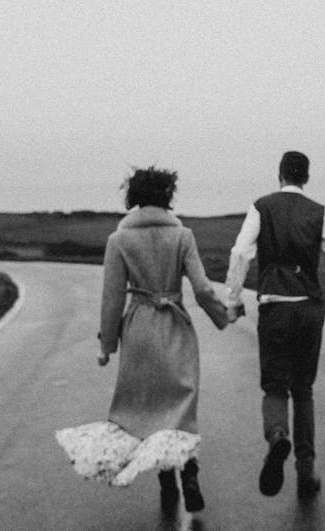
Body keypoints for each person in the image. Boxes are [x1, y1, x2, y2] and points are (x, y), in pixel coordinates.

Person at [55, 167, 235, 513]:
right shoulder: (183, 236)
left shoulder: (119, 240)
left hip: (138, 331)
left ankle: (167, 485)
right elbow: (201, 288)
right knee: (180, 408)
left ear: (133, 198)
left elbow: (111, 299)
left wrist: (107, 345)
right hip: (176, 328)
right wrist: (222, 316)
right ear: (168, 196)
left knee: (148, 412)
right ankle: (190, 473)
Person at [225, 150, 325, 499]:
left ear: (279, 174)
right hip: (309, 308)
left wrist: (233, 299)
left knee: (274, 386)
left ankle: (278, 434)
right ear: (307, 177)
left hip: (274, 307)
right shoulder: (321, 212)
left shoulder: (261, 206)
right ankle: (305, 473)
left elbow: (240, 253)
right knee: (304, 390)